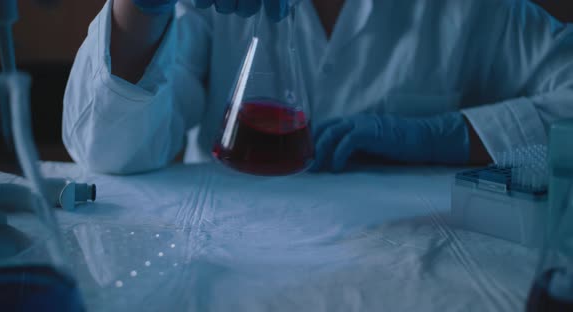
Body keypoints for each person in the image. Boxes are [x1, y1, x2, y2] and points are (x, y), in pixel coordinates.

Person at [62, 0, 573, 174]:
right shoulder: (209, 8)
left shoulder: (473, 9)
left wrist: (447, 136)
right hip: (225, 263)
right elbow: (107, 154)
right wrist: (141, 8)